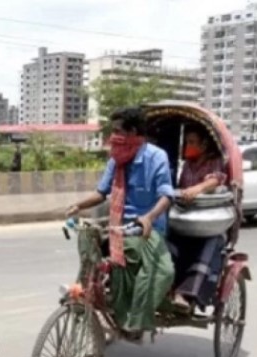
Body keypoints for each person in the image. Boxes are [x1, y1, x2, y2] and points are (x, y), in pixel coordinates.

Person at [65, 107, 175, 341]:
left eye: (117, 131)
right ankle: (87, 290)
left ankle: (136, 318)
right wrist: (78, 205)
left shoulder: (156, 157)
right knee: (89, 241)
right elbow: (101, 192)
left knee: (162, 271)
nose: (113, 136)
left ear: (132, 132)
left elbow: (166, 194)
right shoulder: (116, 159)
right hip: (119, 225)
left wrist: (149, 217)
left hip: (148, 228)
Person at [169, 126, 228, 311]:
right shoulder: (187, 164)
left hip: (209, 223)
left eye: (192, 142)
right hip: (186, 220)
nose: (188, 146)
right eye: (186, 142)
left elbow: (216, 179)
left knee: (208, 244)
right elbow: (180, 188)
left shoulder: (214, 161)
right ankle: (166, 288)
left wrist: (197, 189)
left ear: (204, 144)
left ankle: (186, 293)